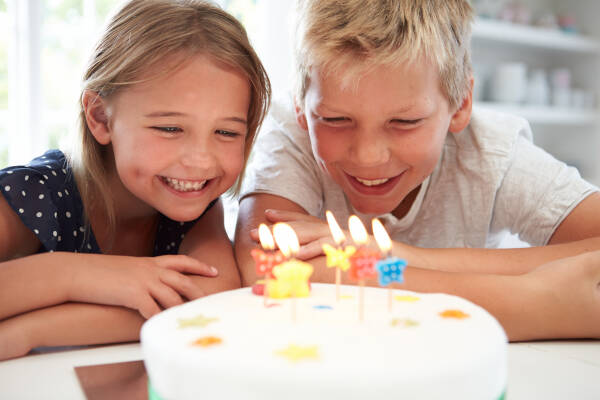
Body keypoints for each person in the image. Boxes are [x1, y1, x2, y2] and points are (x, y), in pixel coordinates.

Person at [234, 0, 600, 341]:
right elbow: (264, 268)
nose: (368, 157)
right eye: (335, 119)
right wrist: (527, 303)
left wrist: (399, 255)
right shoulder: (291, 135)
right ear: (301, 106)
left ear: (460, 105)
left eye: (405, 121)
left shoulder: (491, 153)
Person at [0, 0, 270, 360]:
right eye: (170, 128)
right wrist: (71, 274)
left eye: (225, 131)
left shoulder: (196, 204)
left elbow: (210, 301)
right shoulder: (32, 195)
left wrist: (29, 330)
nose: (201, 160)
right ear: (100, 118)